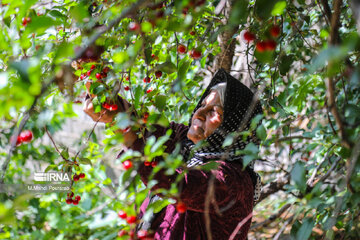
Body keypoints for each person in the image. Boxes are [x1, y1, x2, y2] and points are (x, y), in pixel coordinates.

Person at [83, 68, 262, 240]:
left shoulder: (232, 180)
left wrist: (125, 131)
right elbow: (147, 130)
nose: (199, 114)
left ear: (235, 127)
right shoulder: (189, 145)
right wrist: (109, 101)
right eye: (202, 105)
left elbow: (176, 185)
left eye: (214, 111)